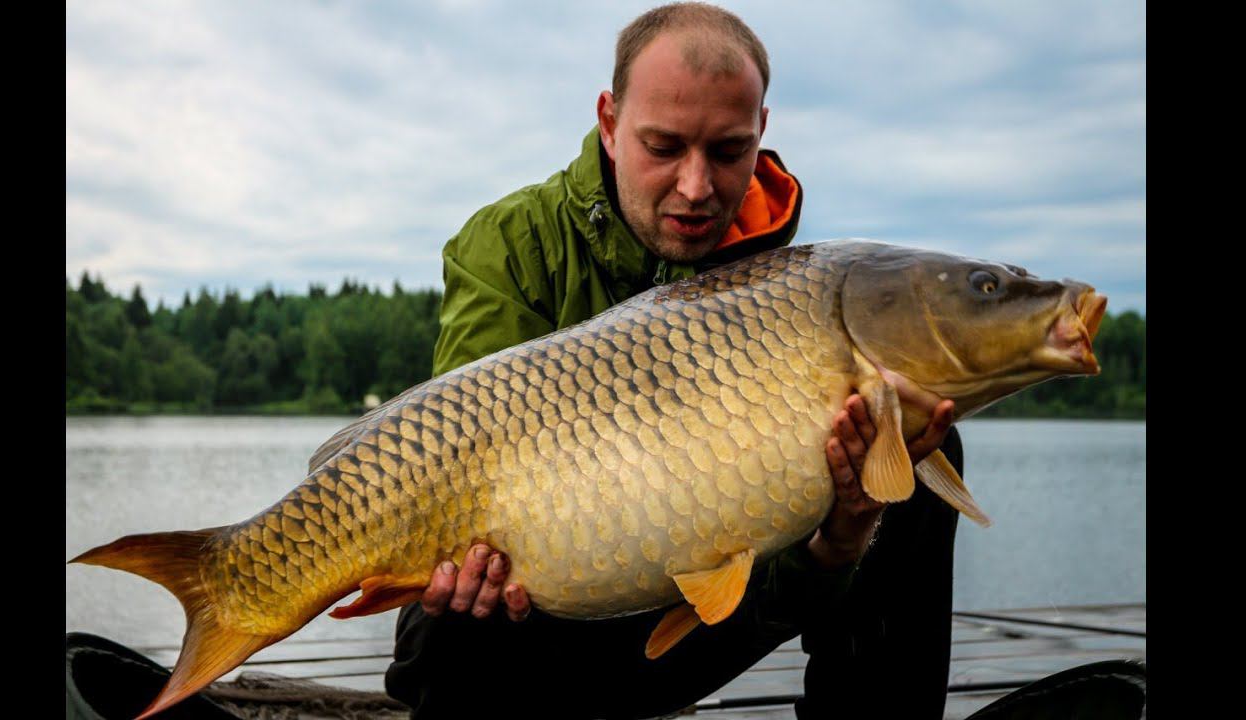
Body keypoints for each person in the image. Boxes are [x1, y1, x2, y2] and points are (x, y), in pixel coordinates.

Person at [384, 4, 961, 718]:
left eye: (726, 152)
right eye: (663, 147)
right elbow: (453, 451)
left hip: (683, 628)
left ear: (761, 135)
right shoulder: (512, 244)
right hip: (525, 618)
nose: (696, 187)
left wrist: (840, 543)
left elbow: (772, 573)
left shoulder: (789, 290)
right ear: (609, 120)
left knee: (917, 443)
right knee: (470, 592)